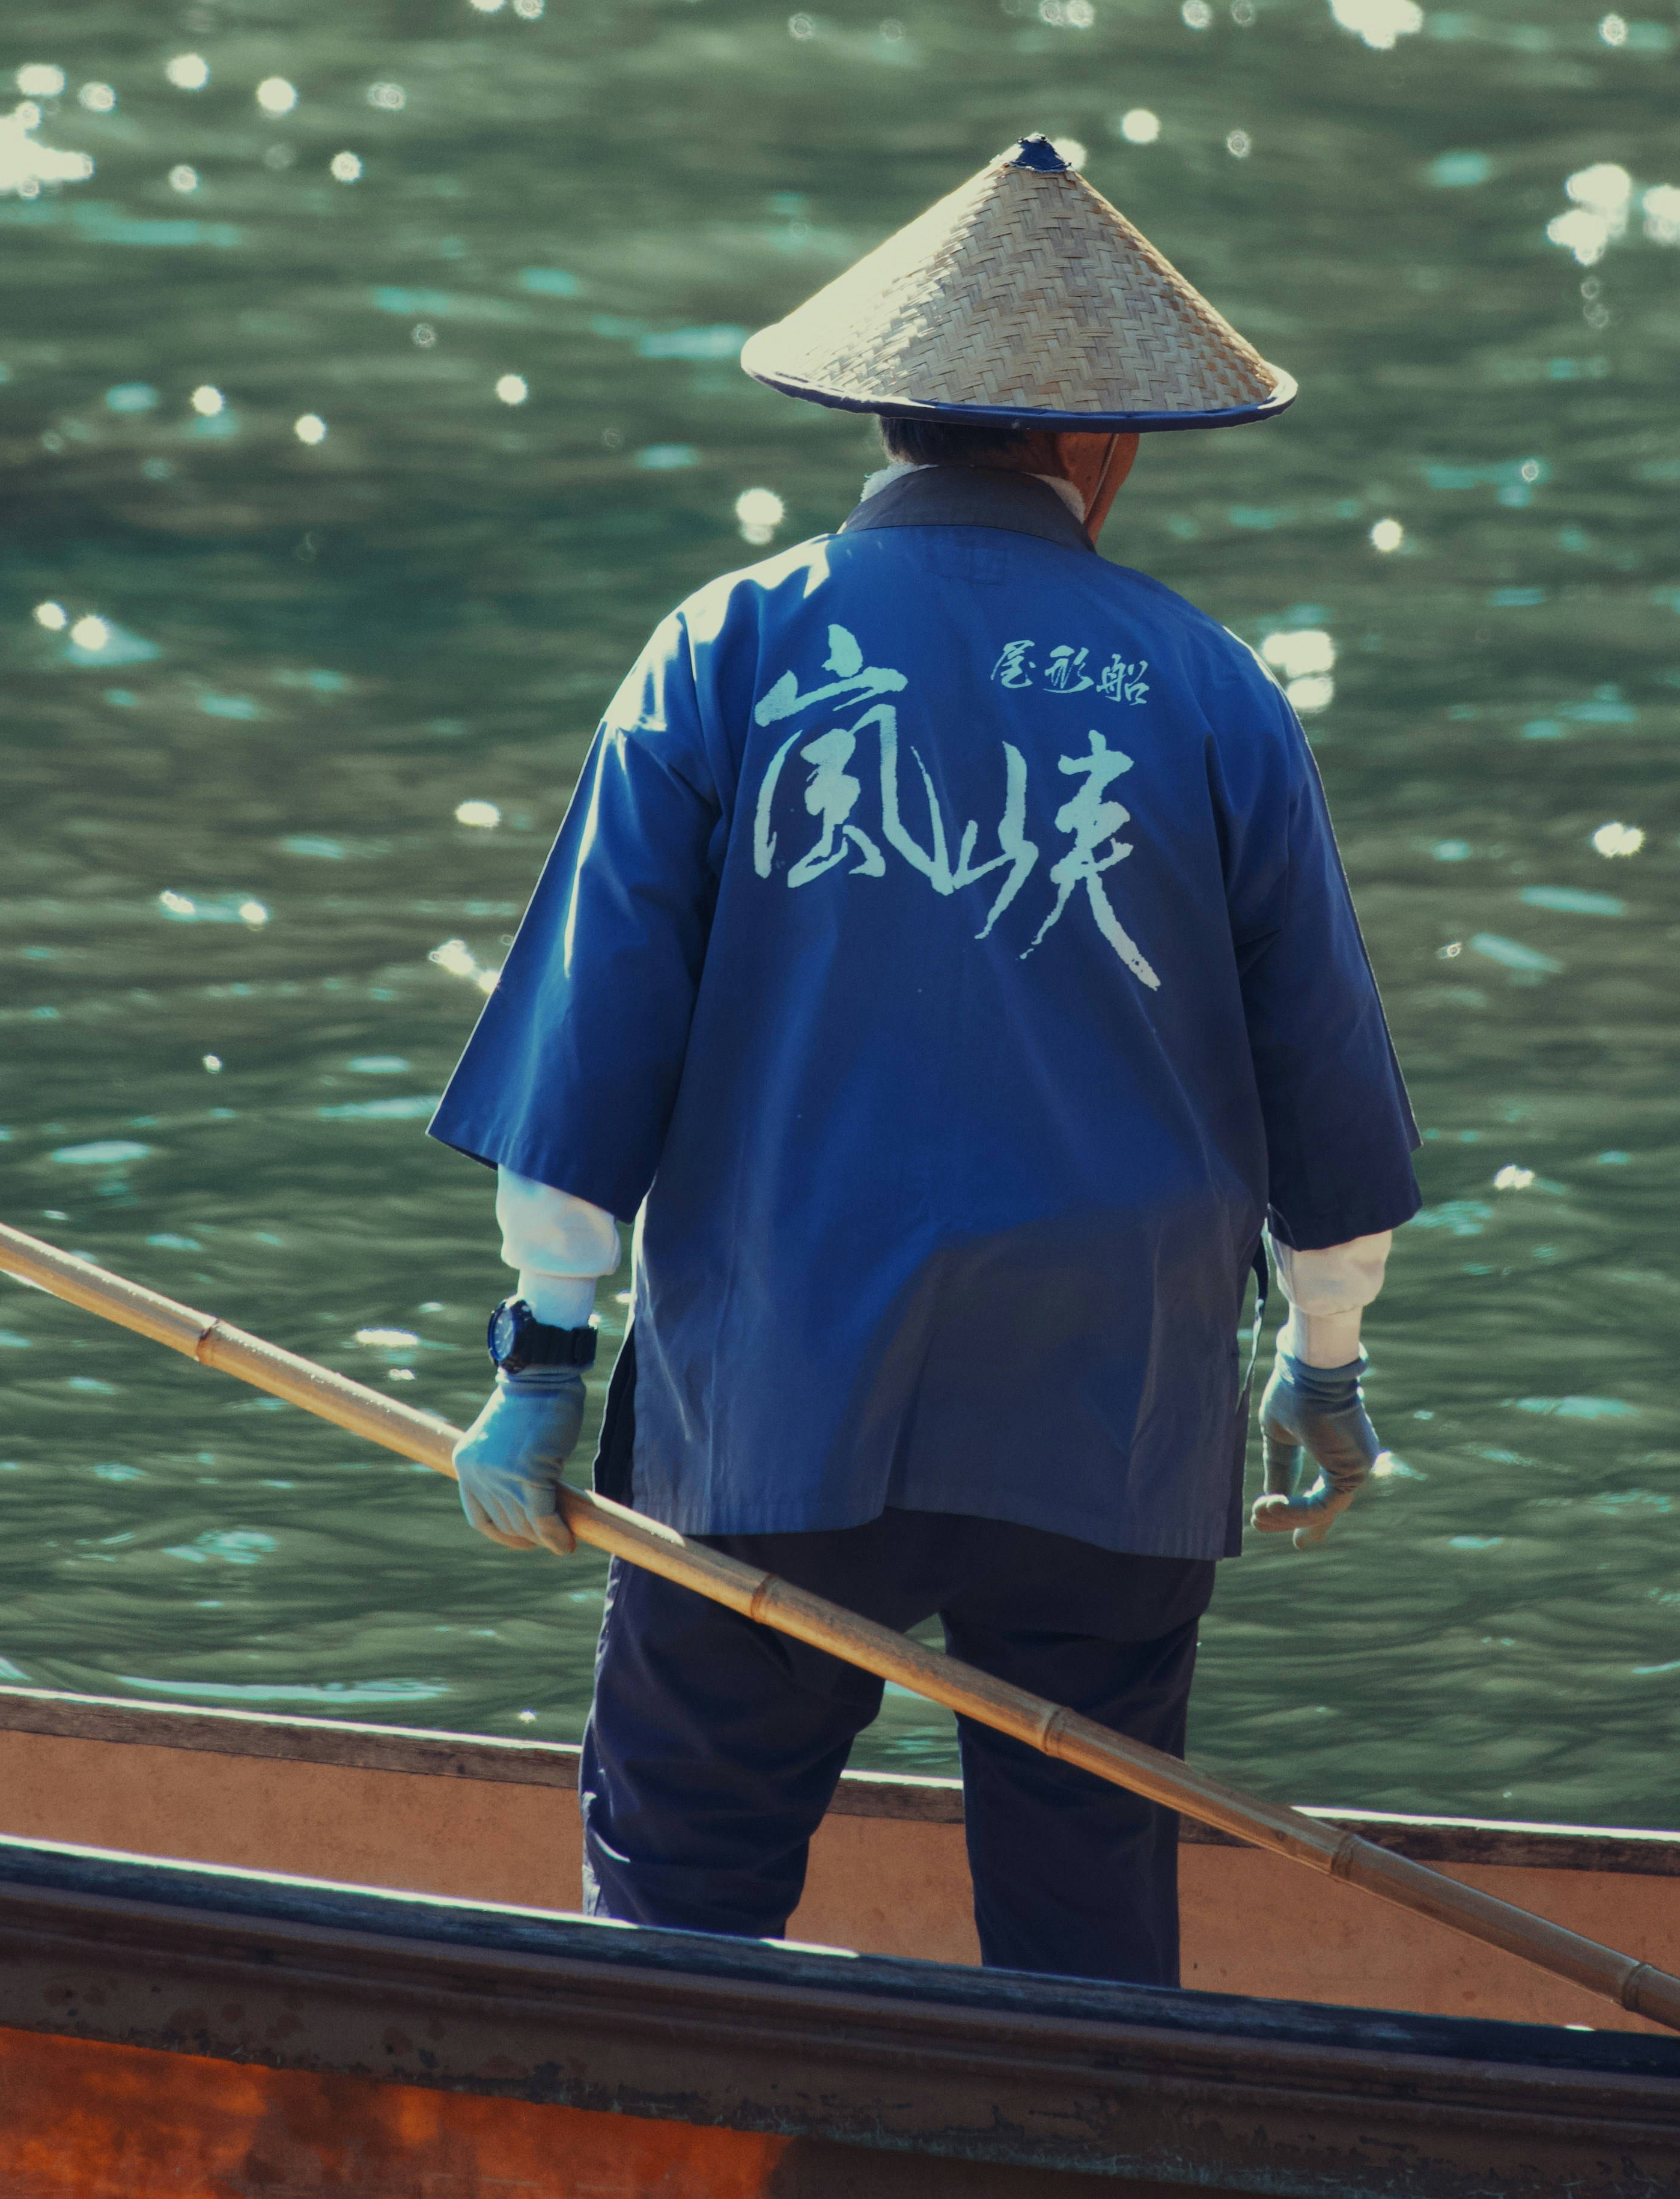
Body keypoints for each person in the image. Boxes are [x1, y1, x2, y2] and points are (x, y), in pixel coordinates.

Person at [429, 133, 1420, 1988]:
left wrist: (541, 1363)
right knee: (1085, 1915)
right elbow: (1324, 1090)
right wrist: (1328, 1362)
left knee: (683, 1886)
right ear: (1108, 447)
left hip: (776, 1395)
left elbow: (589, 1069)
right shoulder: (1212, 690)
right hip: (1113, 1405)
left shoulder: (721, 650)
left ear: (883, 420)